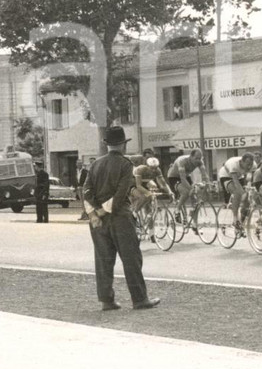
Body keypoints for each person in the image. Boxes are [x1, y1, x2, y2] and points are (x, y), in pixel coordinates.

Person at [82, 126, 159, 311]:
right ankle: (139, 299)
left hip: (97, 223)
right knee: (131, 258)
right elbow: (120, 194)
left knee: (103, 260)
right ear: (123, 145)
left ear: (107, 144)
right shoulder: (126, 165)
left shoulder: (95, 164)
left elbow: (85, 191)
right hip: (120, 217)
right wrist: (102, 212)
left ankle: (107, 300)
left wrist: (93, 214)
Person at [219, 153, 257, 231]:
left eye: (251, 164)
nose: (249, 166)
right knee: (237, 192)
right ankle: (235, 219)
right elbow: (236, 182)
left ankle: (241, 222)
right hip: (226, 176)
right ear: (241, 162)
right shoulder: (233, 164)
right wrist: (242, 192)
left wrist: (252, 189)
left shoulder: (254, 165)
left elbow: (252, 178)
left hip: (240, 176)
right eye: (247, 164)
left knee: (247, 199)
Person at [166, 149, 203, 213]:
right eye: (196, 158)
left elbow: (205, 175)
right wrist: (191, 189)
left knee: (195, 196)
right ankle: (177, 210)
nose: (198, 160)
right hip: (174, 177)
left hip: (186, 176)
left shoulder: (200, 162)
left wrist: (209, 183)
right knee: (185, 192)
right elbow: (183, 178)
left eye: (199, 158)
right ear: (191, 156)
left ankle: (194, 218)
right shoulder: (182, 161)